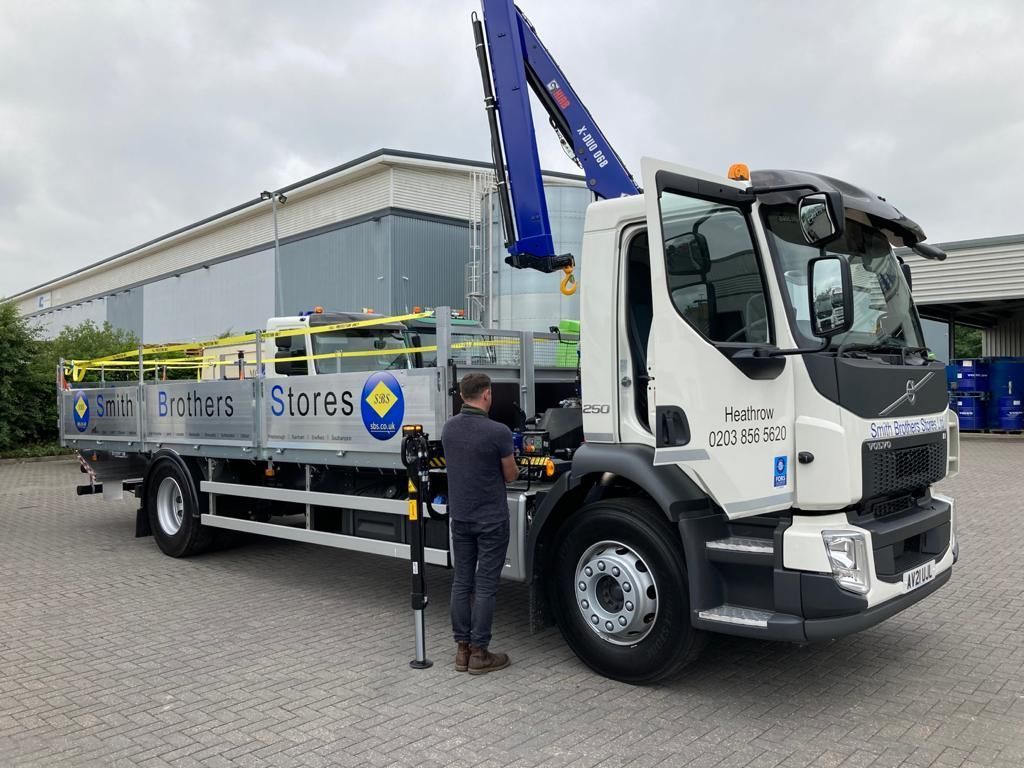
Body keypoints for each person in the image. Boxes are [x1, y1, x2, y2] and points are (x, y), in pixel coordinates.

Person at [441, 373, 519, 674]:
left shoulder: (449, 428)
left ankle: (462, 651)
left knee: (462, 581)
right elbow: (510, 475)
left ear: (462, 395)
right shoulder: (498, 432)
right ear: (486, 394)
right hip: (491, 521)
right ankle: (480, 653)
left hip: (460, 517)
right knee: (485, 585)